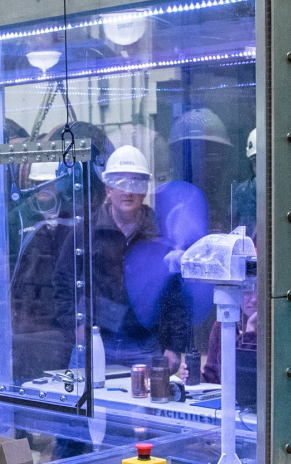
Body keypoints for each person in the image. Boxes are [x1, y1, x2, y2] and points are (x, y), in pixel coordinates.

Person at [54, 144, 189, 370]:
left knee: (143, 405)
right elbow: (62, 282)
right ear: (108, 188)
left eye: (135, 182)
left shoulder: (162, 237)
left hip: (145, 347)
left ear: (145, 189)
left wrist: (175, 346)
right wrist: (75, 325)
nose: (128, 191)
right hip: (94, 344)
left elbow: (178, 295)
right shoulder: (84, 234)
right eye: (120, 182)